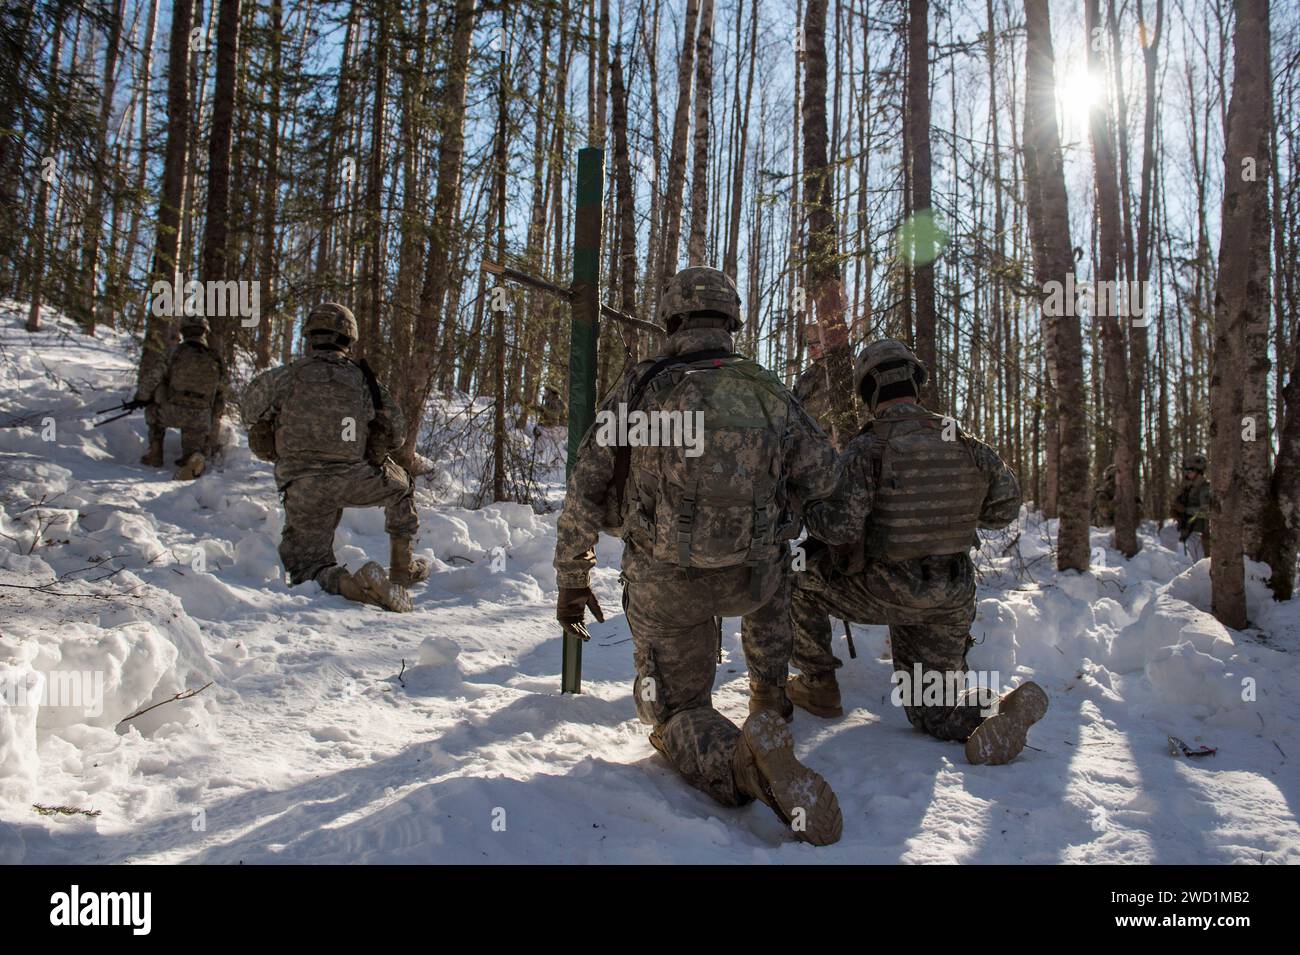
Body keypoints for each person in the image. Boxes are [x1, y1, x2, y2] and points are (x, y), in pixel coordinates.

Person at [553, 266, 858, 845]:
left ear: (671, 320)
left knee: (670, 711)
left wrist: (572, 576)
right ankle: (769, 704)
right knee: (776, 571)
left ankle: (741, 763)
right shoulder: (769, 388)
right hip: (756, 579)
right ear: (732, 322)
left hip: (669, 582)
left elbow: (586, 483)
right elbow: (825, 479)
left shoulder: (643, 386)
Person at [787, 338, 1048, 766]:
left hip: (885, 588)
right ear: (915, 381)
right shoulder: (961, 439)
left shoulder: (868, 448)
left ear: (869, 390)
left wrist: (809, 507)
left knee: (791, 576)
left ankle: (818, 684)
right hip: (950, 595)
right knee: (931, 709)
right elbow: (1004, 508)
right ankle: (989, 719)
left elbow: (839, 527)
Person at [241, 302, 429, 612]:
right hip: (354, 479)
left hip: (302, 485)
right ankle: (401, 569)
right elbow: (397, 432)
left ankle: (353, 586)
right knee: (402, 485)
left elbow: (249, 410)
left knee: (307, 567)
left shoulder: (287, 376)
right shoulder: (362, 380)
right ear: (348, 338)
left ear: (310, 336)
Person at [136, 314, 225, 480]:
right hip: (200, 417)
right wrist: (212, 420)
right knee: (194, 445)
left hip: (171, 411)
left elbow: (153, 378)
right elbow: (220, 395)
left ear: (184, 331)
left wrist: (141, 397)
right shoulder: (215, 358)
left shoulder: (174, 352)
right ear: (204, 332)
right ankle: (192, 458)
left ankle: (155, 452)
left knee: (152, 409)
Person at [1171, 452, 1211, 560]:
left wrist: (1185, 510)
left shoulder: (1205, 488)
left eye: (1190, 470)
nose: (1187, 473)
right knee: (1166, 533)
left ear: (1198, 471)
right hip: (1189, 528)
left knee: (1201, 561)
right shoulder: (1190, 488)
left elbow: (1207, 512)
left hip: (1200, 532)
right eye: (1186, 470)